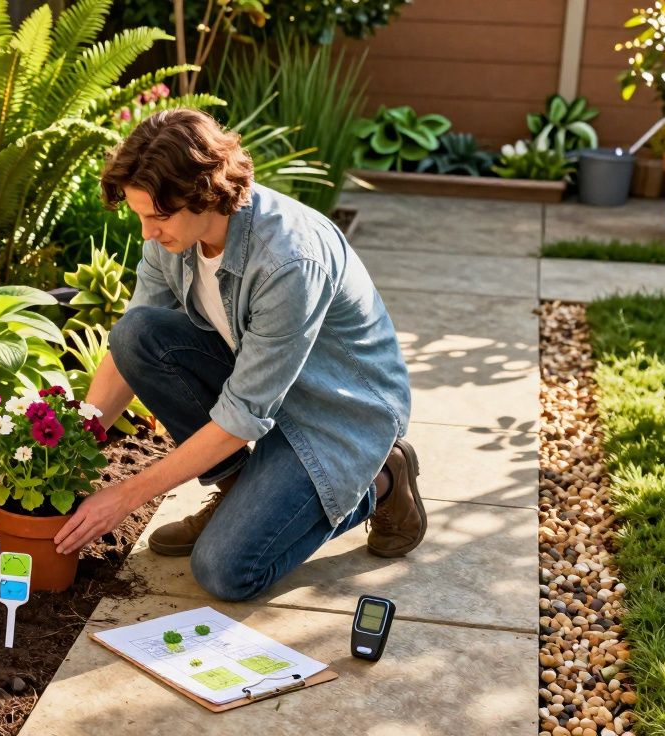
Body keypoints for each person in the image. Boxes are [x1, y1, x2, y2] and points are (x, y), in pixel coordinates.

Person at [52, 109, 424, 602]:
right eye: (140, 216)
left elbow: (242, 417)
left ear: (204, 193)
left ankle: (381, 478)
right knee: (136, 333)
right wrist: (67, 449)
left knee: (225, 572)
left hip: (337, 415)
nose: (146, 233)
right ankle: (237, 491)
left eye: (157, 217)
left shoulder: (288, 260)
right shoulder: (174, 236)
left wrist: (124, 496)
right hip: (262, 385)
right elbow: (131, 346)